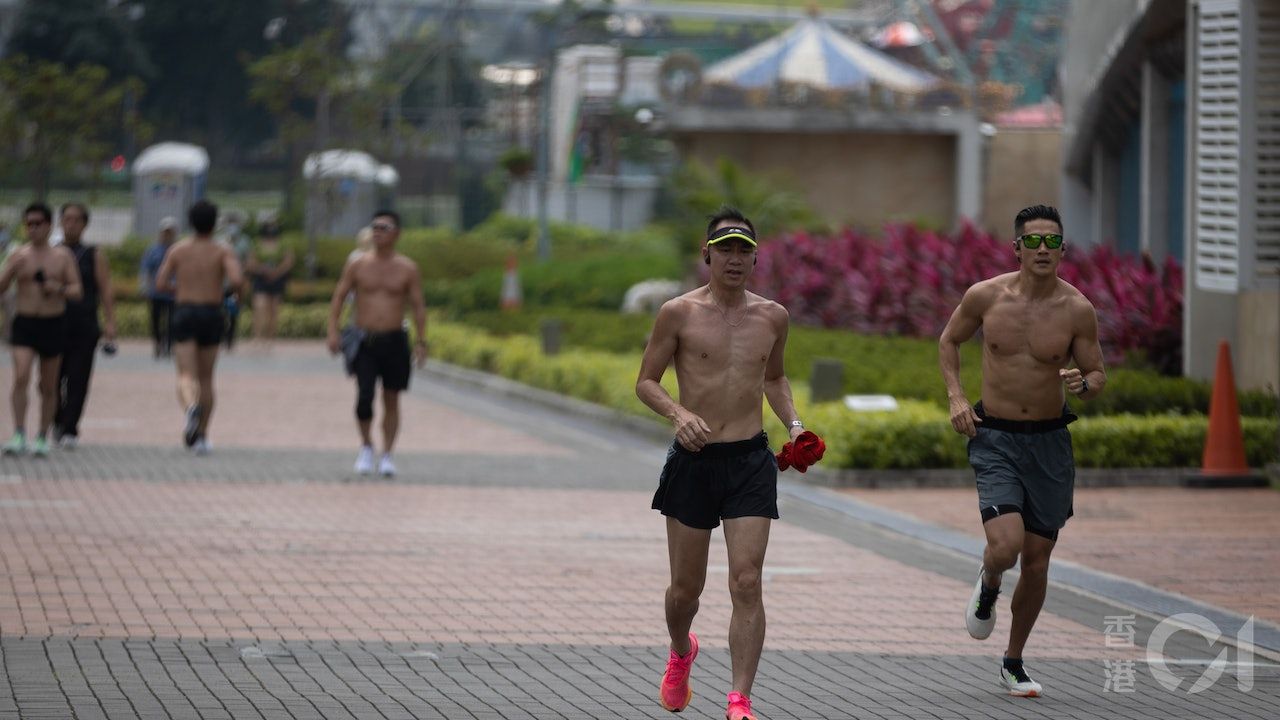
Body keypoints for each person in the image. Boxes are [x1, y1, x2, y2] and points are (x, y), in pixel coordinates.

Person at [636, 206, 813, 720]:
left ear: (756, 258)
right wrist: (677, 412)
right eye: (726, 249)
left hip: (750, 461)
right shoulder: (678, 313)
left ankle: (739, 699)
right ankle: (681, 649)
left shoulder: (773, 316)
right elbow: (646, 381)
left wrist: (796, 426)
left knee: (746, 580)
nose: (735, 258)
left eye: (744, 250)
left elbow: (774, 378)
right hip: (694, 461)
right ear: (707, 255)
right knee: (685, 591)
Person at [938, 204, 1107, 698]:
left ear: (1062, 250)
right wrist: (956, 396)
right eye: (1032, 242)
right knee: (1007, 547)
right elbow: (949, 341)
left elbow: (1097, 373)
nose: (1041, 250)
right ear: (1017, 248)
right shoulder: (986, 297)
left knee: (1036, 561)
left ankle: (1013, 661)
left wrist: (1085, 382)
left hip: (1050, 444)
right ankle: (990, 577)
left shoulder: (1077, 309)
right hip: (996, 439)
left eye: (1051, 242)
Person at [326, 210, 426, 478]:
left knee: (392, 398)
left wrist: (421, 341)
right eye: (375, 227)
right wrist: (332, 331)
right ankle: (366, 446)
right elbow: (339, 296)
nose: (378, 232)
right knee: (365, 396)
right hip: (365, 339)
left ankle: (388, 454)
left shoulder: (407, 268)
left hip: (395, 340)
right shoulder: (358, 265)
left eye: (384, 227)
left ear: (397, 233)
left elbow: (417, 306)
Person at [156, 200, 243, 455]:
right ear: (214, 223)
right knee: (206, 377)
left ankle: (190, 407)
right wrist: (231, 294)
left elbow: (160, 283)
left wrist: (180, 289)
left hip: (185, 311)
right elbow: (237, 279)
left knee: (185, 374)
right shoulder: (222, 250)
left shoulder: (178, 250)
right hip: (211, 311)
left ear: (190, 222)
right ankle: (203, 436)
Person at [0, 203, 83, 456]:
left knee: (48, 385)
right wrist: (11, 270)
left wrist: (56, 288)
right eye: (29, 224)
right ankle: (18, 432)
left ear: (48, 226)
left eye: (38, 224)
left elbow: (77, 291)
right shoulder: (18, 255)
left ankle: (42, 435)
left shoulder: (62, 257)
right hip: (25, 323)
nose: (33, 229)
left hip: (52, 323)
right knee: (21, 375)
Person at [53, 203, 117, 448]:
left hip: (84, 324)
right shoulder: (53, 252)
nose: (71, 224)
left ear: (84, 224)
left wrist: (110, 322)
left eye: (76, 220)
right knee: (51, 380)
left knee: (78, 378)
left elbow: (105, 289)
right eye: (66, 219)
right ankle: (57, 417)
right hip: (55, 323)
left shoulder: (94, 254)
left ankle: (70, 428)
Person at [246, 222, 293, 343]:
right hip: (261, 279)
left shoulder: (283, 244)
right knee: (259, 307)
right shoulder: (256, 243)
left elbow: (288, 261)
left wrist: (276, 272)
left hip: (277, 279)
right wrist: (263, 270)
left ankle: (271, 337)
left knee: (274, 310)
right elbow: (250, 262)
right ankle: (257, 336)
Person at [141, 217, 178, 358]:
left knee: (172, 321)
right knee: (156, 320)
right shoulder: (153, 250)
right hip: (156, 292)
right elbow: (146, 270)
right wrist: (144, 287)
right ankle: (157, 343)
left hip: (173, 293)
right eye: (165, 232)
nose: (167, 235)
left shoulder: (178, 250)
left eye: (170, 232)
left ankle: (169, 345)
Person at [218, 212, 251, 350]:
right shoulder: (219, 241)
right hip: (220, 284)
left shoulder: (245, 242)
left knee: (233, 311)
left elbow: (248, 261)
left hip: (236, 285)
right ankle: (221, 336)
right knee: (220, 312)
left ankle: (230, 340)